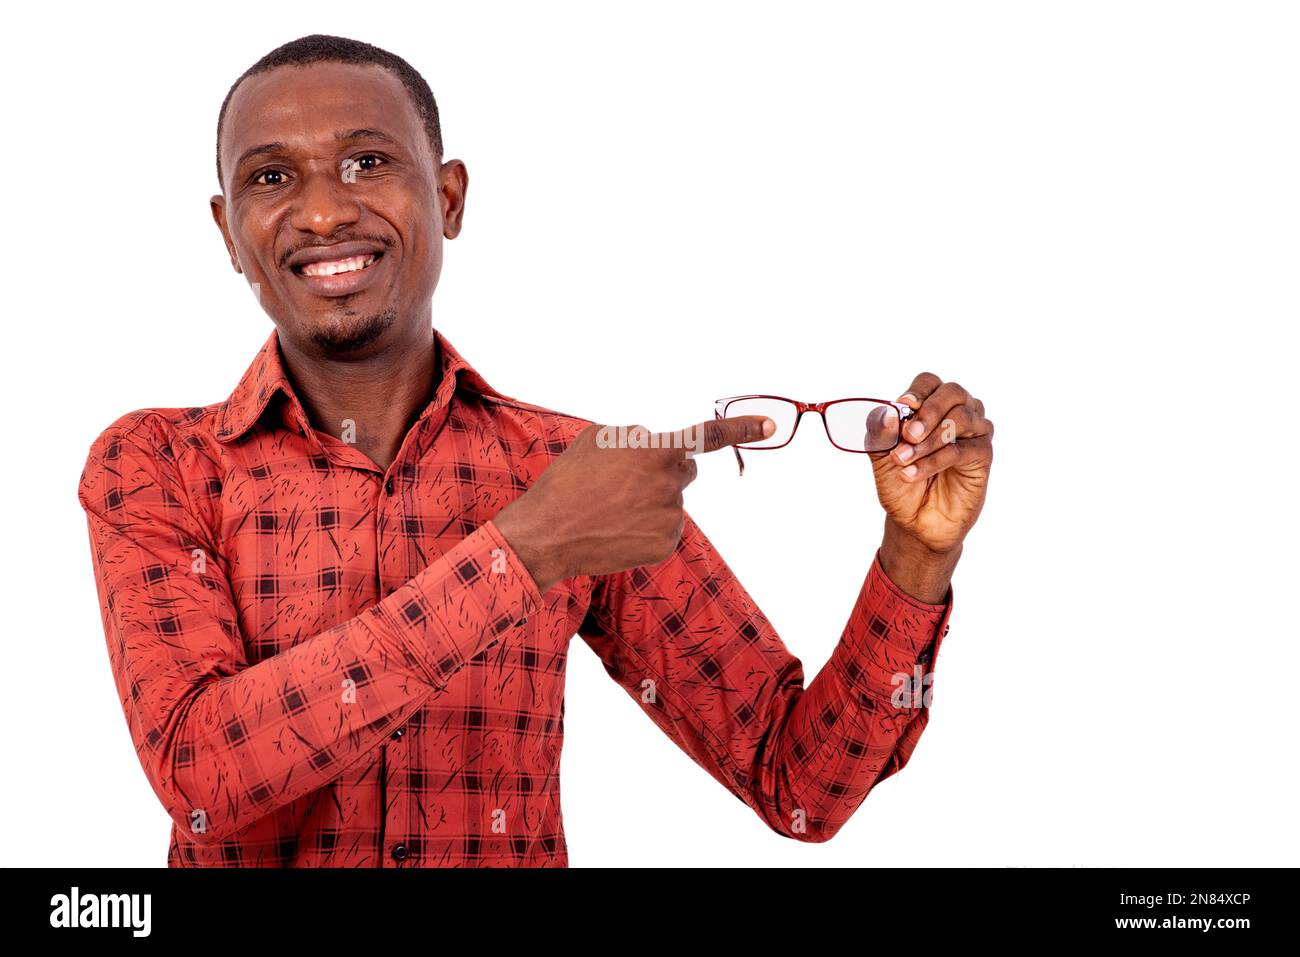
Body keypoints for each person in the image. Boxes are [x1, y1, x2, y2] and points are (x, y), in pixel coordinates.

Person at [77, 34, 993, 867]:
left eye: (366, 161)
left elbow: (800, 787)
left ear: (448, 198)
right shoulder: (155, 464)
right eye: (272, 178)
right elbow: (203, 774)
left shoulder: (579, 473)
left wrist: (917, 557)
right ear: (227, 231)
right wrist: (526, 552)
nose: (322, 213)